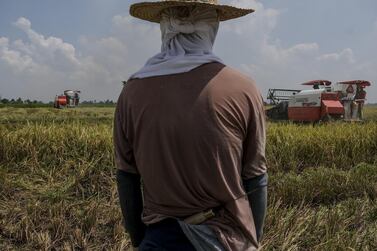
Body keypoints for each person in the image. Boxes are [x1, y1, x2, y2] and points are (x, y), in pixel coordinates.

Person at [114, 1, 268, 250]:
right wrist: (254, 240)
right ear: (211, 28)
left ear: (165, 28)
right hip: (224, 238)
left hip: (158, 237)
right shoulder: (244, 88)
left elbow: (126, 177)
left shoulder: (131, 93)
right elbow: (256, 177)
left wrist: (140, 242)